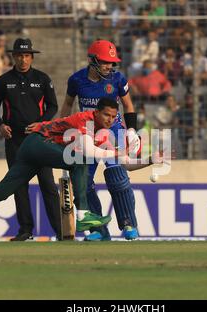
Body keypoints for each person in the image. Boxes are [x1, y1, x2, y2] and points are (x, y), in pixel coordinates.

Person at [0, 98, 126, 242]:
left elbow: (114, 155)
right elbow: (89, 151)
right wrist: (116, 153)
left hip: (35, 149)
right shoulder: (86, 119)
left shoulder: (102, 132)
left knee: (2, 192)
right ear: (96, 112)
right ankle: (83, 215)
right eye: (106, 115)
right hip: (38, 143)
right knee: (79, 160)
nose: (109, 120)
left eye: (112, 116)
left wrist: (149, 158)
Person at [59, 39, 141, 241]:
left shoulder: (118, 79)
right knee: (83, 184)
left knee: (118, 179)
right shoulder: (77, 80)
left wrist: (131, 129)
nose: (109, 66)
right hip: (87, 133)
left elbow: (128, 106)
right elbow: (67, 106)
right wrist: (63, 131)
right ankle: (98, 231)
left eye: (112, 62)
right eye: (105, 61)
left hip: (114, 133)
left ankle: (129, 225)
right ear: (92, 60)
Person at [0, 38, 62, 241]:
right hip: (15, 140)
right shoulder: (4, 81)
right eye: (19, 55)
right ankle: (26, 230)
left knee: (47, 183)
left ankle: (61, 232)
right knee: (19, 185)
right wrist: (1, 126)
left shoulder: (43, 79)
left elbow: (52, 107)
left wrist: (42, 124)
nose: (23, 60)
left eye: (27, 55)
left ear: (32, 57)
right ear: (13, 56)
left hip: (39, 139)